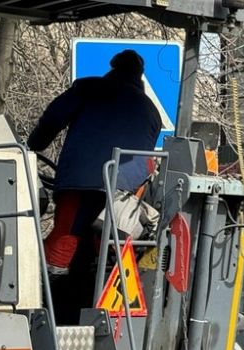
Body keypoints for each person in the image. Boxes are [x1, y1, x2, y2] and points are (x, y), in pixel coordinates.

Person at [28, 49, 162, 322]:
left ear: (112, 68)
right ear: (139, 76)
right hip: (124, 194)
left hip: (82, 182)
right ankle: (100, 307)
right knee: (104, 251)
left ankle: (42, 308)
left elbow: (52, 119)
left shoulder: (89, 88)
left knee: (65, 237)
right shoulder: (151, 111)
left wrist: (34, 145)